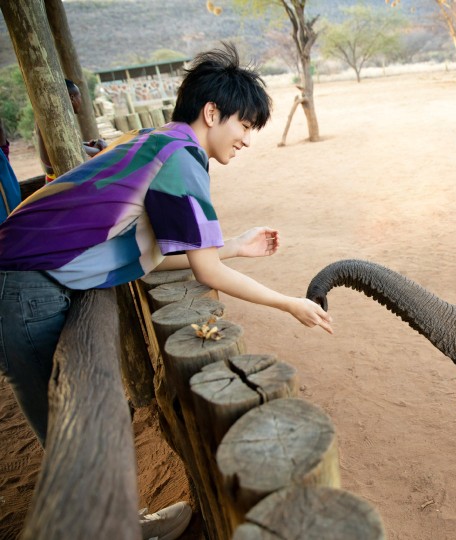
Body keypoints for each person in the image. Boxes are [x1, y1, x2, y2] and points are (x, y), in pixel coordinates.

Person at [0, 42, 332, 540]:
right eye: (244, 124)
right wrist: (291, 304)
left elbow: (159, 249)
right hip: (26, 285)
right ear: (212, 111)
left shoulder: (157, 142)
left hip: (27, 276)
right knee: (71, 435)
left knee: (74, 426)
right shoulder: (182, 159)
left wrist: (233, 247)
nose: (246, 139)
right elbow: (207, 274)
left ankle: (128, 524)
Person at [36, 78, 108, 181]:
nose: (81, 101)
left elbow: (68, 145)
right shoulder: (54, 121)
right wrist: (101, 150)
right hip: (62, 184)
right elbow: (67, 150)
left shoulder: (53, 117)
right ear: (71, 98)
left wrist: (86, 144)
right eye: (80, 96)